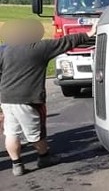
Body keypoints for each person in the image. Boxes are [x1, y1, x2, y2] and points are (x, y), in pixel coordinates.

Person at [0, 18, 96, 176]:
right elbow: (66, 42)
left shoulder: (6, 50)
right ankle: (44, 158)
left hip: (6, 98)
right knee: (36, 133)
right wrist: (89, 33)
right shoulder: (39, 48)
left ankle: (16, 165)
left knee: (11, 133)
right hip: (28, 98)